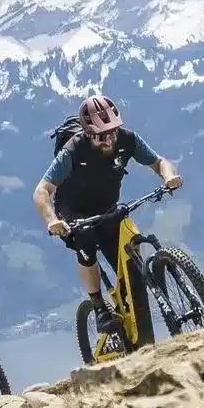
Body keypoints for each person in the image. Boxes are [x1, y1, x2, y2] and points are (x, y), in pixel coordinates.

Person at [32, 94, 183, 333]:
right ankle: (99, 306)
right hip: (74, 212)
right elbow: (42, 191)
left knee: (129, 258)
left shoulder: (127, 140)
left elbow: (158, 162)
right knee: (86, 241)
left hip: (107, 208)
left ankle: (130, 314)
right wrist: (52, 220)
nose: (110, 139)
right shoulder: (72, 151)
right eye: (102, 136)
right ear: (88, 134)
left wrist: (168, 177)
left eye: (113, 131)